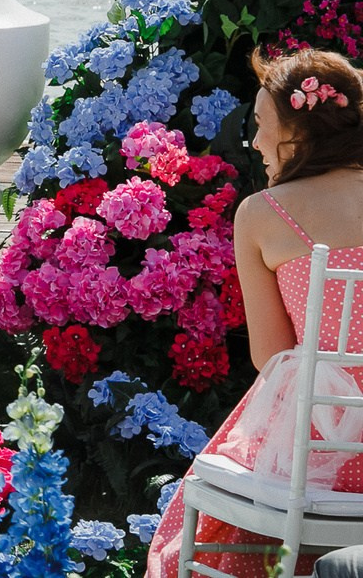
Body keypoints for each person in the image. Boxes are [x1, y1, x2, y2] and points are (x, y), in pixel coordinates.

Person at [150, 49, 363, 578]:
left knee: (197, 517)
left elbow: (271, 358)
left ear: (296, 132)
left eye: (262, 124)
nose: (254, 141)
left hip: (320, 460)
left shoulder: (266, 214)